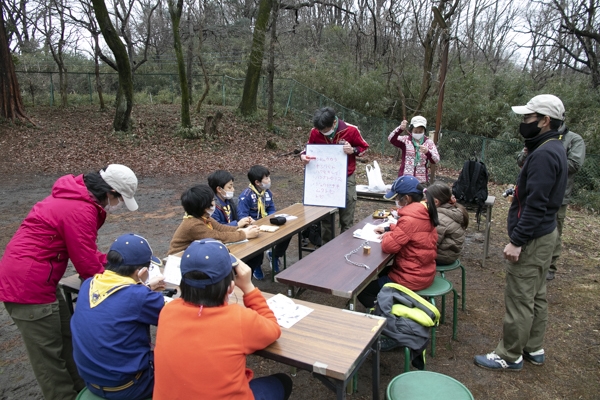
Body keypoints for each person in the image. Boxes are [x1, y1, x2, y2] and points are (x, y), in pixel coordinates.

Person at [0, 164, 139, 400]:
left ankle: (82, 390)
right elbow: (86, 265)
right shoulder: (80, 209)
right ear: (109, 192)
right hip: (26, 286)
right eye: (119, 199)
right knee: (48, 357)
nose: (117, 205)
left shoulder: (77, 199)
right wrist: (122, 286)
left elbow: (86, 251)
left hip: (43, 280)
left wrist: (119, 263)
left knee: (67, 338)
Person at [474, 94, 568, 371]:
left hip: (534, 238)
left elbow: (536, 205)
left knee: (519, 298)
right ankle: (533, 347)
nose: (523, 122)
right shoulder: (554, 147)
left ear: (545, 120)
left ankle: (509, 354)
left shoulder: (544, 154)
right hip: (546, 234)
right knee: (537, 294)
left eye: (528, 118)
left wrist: (517, 241)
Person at [153, 239, 293, 400]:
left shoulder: (168, 311)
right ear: (231, 287)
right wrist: (248, 287)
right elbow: (273, 330)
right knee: (282, 382)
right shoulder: (238, 319)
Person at [71, 233, 166, 400]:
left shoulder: (89, 284)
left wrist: (145, 287)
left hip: (91, 380)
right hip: (130, 386)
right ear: (142, 271)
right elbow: (174, 316)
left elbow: (121, 300)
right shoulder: (139, 297)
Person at [357, 175, 439, 309]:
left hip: (411, 278)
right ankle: (390, 300)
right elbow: (413, 232)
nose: (396, 200)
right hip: (424, 271)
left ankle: (386, 315)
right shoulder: (424, 213)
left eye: (397, 197)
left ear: (406, 198)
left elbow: (388, 246)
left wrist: (388, 234)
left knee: (362, 291)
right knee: (384, 272)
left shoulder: (409, 219)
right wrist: (390, 228)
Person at [517, 125, 585, 280]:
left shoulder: (574, 139)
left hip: (557, 196)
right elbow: (521, 160)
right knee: (528, 222)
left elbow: (574, 164)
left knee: (552, 230)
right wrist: (528, 154)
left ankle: (549, 266)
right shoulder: (537, 138)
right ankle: (526, 255)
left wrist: (545, 161)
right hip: (531, 192)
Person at [300, 107, 369, 243]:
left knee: (347, 217)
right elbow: (308, 148)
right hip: (324, 178)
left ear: (333, 123)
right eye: (321, 131)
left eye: (325, 130)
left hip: (346, 177)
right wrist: (303, 156)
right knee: (326, 217)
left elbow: (364, 148)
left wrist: (353, 150)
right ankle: (327, 248)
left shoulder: (351, 130)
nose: (323, 133)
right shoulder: (315, 131)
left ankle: (345, 247)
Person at [168, 184, 259, 255]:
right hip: (179, 259)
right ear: (203, 206)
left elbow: (221, 228)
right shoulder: (193, 224)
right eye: (212, 200)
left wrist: (244, 229)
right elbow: (217, 236)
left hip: (194, 253)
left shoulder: (204, 217)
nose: (214, 202)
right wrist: (244, 234)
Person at [238, 165, 290, 280]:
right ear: (257, 182)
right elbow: (242, 216)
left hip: (266, 224)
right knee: (259, 242)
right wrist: (252, 223)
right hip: (253, 227)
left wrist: (271, 218)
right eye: (266, 178)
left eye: (269, 177)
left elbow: (271, 208)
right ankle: (257, 265)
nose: (269, 180)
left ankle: (275, 255)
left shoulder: (267, 193)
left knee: (287, 232)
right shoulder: (246, 196)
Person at [427, 182, 469, 265]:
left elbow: (432, 243)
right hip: (450, 253)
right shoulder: (451, 210)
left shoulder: (440, 218)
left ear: (436, 202)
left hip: (443, 257)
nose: (425, 202)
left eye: (427, 200)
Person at [388, 115, 440, 183]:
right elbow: (391, 139)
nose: (418, 133)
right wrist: (400, 129)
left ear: (424, 131)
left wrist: (428, 152)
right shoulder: (405, 140)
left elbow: (436, 160)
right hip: (405, 179)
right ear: (411, 130)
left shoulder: (429, 142)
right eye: (415, 131)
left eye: (420, 131)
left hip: (421, 181)